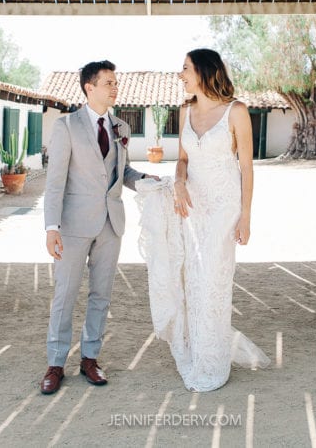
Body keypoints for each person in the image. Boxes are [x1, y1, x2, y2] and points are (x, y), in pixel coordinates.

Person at [137, 48, 270, 392]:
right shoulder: (186, 111)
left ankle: (212, 362)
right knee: (192, 281)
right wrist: (178, 182)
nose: (180, 74)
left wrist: (246, 216)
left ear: (204, 71)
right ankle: (198, 352)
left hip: (224, 210)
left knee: (212, 280)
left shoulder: (236, 112)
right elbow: (181, 159)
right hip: (191, 209)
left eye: (185, 68)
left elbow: (246, 167)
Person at [40, 60, 156, 395]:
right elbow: (55, 181)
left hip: (111, 223)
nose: (115, 88)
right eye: (108, 83)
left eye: (115, 82)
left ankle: (90, 358)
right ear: (89, 88)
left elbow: (124, 173)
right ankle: (55, 363)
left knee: (101, 296)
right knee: (64, 295)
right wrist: (52, 227)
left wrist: (148, 181)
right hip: (74, 225)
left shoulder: (121, 126)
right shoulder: (66, 126)